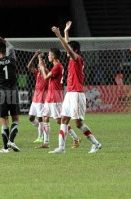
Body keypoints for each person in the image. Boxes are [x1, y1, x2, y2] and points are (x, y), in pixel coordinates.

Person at [49, 21, 101, 154]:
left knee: (78, 123)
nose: (67, 51)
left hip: (77, 93)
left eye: (70, 49)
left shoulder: (77, 58)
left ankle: (96, 144)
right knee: (64, 119)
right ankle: (61, 147)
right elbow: (68, 46)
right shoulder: (73, 58)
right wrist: (66, 32)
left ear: (75, 50)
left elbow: (68, 48)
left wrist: (59, 35)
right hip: (70, 93)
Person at [37, 47, 80, 149]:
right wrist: (40, 60)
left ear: (54, 56)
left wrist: (42, 67)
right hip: (50, 96)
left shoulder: (58, 66)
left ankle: (75, 138)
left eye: (49, 54)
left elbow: (46, 77)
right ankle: (46, 142)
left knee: (59, 120)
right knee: (45, 117)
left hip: (55, 96)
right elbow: (48, 74)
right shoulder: (56, 66)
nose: (48, 56)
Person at [26, 51, 48, 144]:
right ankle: (42, 128)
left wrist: (40, 58)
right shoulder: (38, 73)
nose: (39, 67)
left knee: (40, 117)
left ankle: (40, 136)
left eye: (40, 65)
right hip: (35, 99)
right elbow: (29, 66)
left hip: (41, 100)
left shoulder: (46, 73)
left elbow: (42, 66)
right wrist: (35, 56)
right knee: (31, 118)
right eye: (38, 66)